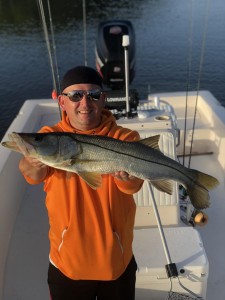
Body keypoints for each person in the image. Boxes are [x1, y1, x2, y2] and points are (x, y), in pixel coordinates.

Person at [19, 66, 143, 300]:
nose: (85, 103)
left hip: (116, 261)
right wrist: (31, 161)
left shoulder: (125, 138)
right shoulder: (50, 136)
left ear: (103, 99)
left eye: (93, 95)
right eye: (76, 95)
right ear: (62, 102)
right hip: (67, 264)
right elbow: (31, 175)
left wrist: (130, 178)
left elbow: (133, 186)